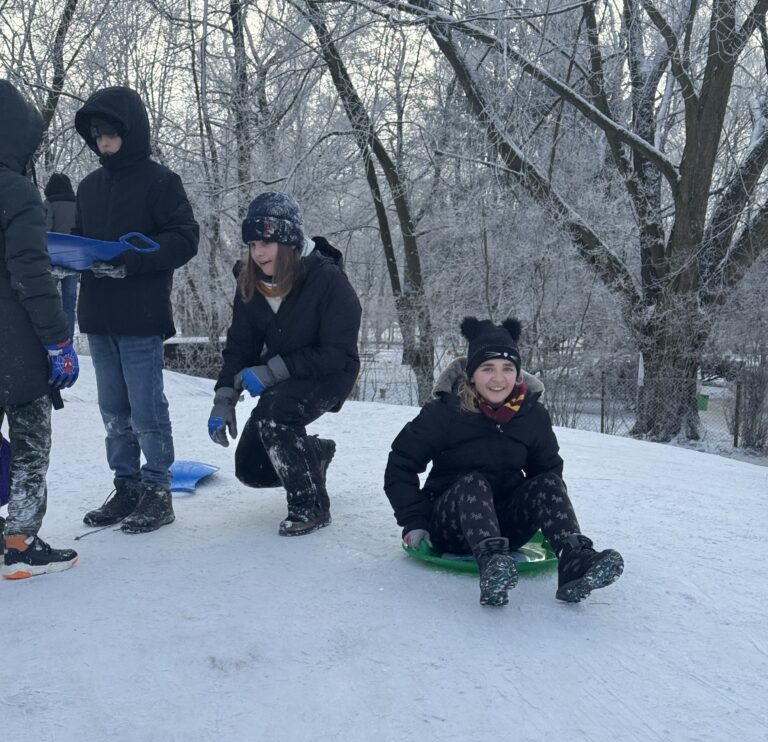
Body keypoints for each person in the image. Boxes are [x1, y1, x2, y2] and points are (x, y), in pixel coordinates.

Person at [384, 316, 624, 607]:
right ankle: (493, 568)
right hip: (452, 524)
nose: (498, 379)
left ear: (517, 373)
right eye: (488, 368)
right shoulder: (445, 413)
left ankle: (575, 560)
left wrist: (555, 528)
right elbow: (401, 463)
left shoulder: (531, 415)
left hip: (507, 525)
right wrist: (415, 521)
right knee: (473, 481)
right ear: (471, 374)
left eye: (507, 368)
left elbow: (546, 473)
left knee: (549, 482)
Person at [73, 86, 199, 533]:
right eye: (96, 135)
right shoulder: (88, 187)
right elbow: (78, 241)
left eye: (110, 133)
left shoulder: (160, 182)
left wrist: (136, 257)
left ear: (131, 130)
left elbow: (186, 238)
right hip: (98, 315)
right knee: (113, 410)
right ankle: (125, 486)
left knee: (146, 409)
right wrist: (65, 257)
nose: (103, 142)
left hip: (140, 316)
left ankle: (157, 491)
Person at [209, 192, 361, 536]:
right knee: (251, 467)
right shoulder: (250, 282)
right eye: (251, 243)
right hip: (284, 378)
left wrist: (272, 371)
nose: (258, 252)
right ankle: (314, 454)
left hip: (329, 374)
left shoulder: (327, 279)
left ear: (289, 241)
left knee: (277, 415)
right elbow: (240, 347)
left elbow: (336, 352)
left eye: (267, 241)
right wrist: (223, 399)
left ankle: (311, 507)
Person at [0, 79, 79, 580]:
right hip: (14, 346)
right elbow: (31, 272)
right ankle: (21, 542)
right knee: (30, 440)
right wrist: (58, 341)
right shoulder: (17, 192)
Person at [43, 172, 78, 338]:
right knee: (69, 303)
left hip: (54, 258)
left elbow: (46, 231)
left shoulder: (49, 204)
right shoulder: (78, 204)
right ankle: (68, 338)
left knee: (48, 298)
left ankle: (51, 336)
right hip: (74, 259)